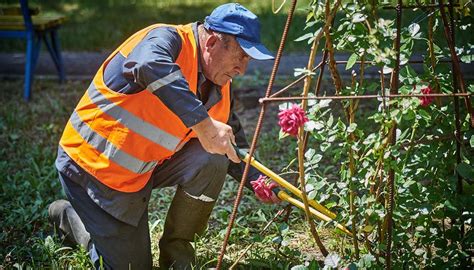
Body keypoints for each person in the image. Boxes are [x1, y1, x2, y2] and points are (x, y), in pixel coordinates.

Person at [48, 3, 279, 269]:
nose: (242, 69)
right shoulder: (165, 39)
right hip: (93, 171)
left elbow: (230, 146)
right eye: (240, 56)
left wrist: (262, 183)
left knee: (213, 158)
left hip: (143, 169)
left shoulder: (218, 81)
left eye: (247, 61)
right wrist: (204, 125)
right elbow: (147, 64)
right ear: (213, 41)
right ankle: (70, 218)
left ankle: (177, 254)